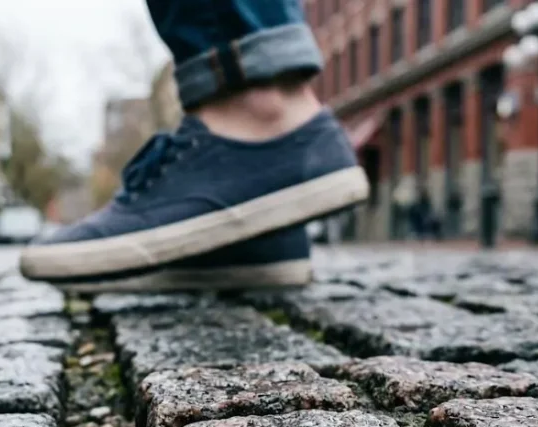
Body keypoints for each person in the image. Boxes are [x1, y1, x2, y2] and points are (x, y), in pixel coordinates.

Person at [19, 0, 370, 292]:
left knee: (249, 82)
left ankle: (256, 105)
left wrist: (235, 60)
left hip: (248, 82)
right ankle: (255, 237)